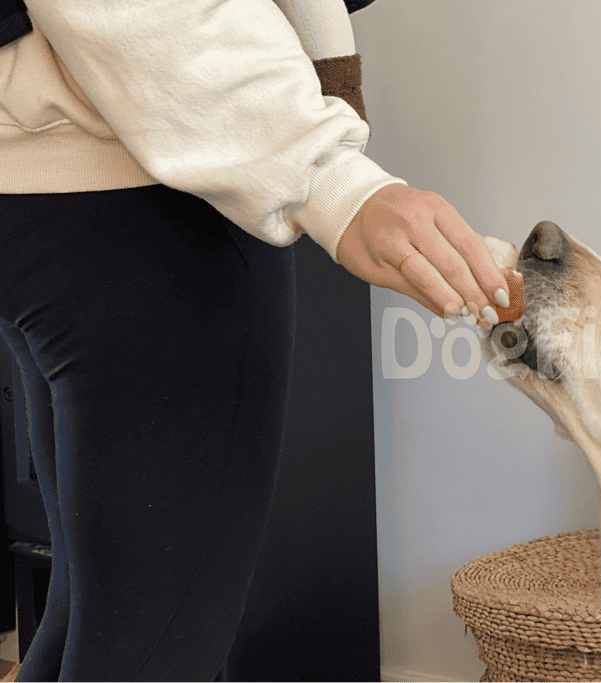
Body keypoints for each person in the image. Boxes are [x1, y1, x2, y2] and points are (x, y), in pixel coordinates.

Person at [0, 0, 508, 680]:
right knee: (149, 651)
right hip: (138, 203)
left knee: (98, 624)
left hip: (54, 184)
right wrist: (327, 176)